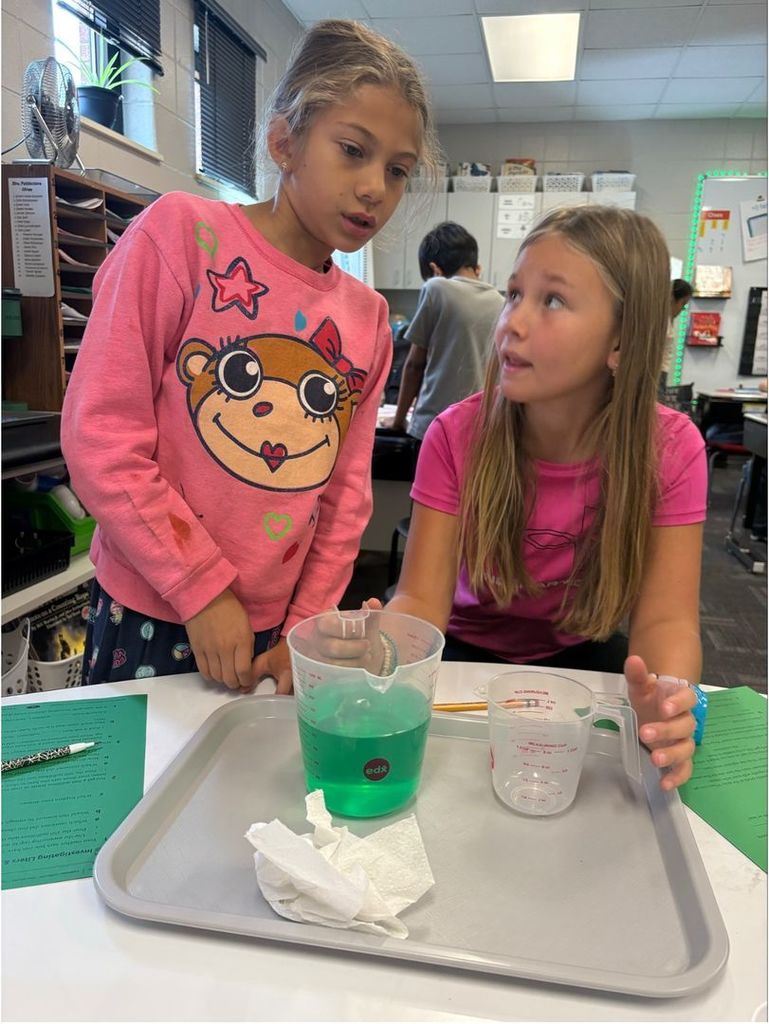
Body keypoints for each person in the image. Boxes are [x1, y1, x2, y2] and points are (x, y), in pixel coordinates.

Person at [60, 19, 441, 693]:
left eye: (397, 170)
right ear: (284, 142)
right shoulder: (180, 236)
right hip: (153, 607)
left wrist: (308, 626)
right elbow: (101, 438)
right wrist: (202, 592)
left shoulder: (369, 319)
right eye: (352, 150)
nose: (375, 187)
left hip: (279, 634)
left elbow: (345, 498)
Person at [384, 206, 705, 790]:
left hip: (584, 656)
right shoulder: (456, 434)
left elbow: (666, 619)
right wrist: (382, 646)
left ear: (620, 339)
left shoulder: (672, 448)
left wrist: (668, 698)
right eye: (513, 295)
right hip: (461, 651)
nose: (512, 323)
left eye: (551, 300)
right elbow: (420, 600)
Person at [389, 222, 505, 448]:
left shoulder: (436, 288)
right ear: (475, 266)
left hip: (434, 425)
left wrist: (399, 419)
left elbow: (414, 364)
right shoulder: (501, 303)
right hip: (481, 427)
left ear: (434, 269)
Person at [660, 277, 693, 387]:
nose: (681, 310)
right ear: (673, 299)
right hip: (656, 375)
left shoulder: (666, 321)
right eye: (683, 305)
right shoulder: (662, 322)